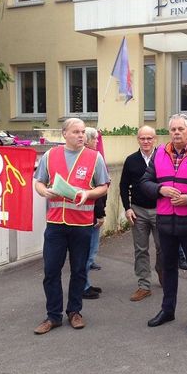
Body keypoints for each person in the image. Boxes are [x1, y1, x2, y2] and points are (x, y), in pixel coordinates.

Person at [32, 118, 110, 334]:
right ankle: (53, 316)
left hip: (82, 224)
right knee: (51, 270)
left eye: (83, 132)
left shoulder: (95, 158)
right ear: (64, 134)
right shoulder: (50, 155)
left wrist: (88, 193)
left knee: (79, 270)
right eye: (76, 132)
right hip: (56, 223)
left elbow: (104, 186)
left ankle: (74, 311)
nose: (81, 136)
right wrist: (43, 191)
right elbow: (38, 181)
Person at [141, 113, 187, 335]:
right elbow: (145, 182)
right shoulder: (160, 153)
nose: (176, 133)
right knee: (168, 268)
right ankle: (167, 310)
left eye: (181, 129)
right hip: (165, 222)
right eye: (173, 129)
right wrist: (160, 189)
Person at [119, 125, 163, 302]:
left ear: (155, 140)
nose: (146, 141)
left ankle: (162, 271)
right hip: (138, 211)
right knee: (141, 249)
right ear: (138, 139)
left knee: (163, 248)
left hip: (161, 209)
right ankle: (144, 285)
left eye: (149, 138)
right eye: (142, 138)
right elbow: (123, 186)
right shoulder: (131, 160)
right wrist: (127, 208)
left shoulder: (163, 158)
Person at [82, 127, 108, 300]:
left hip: (90, 214)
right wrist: (100, 214)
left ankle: (85, 284)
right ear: (88, 140)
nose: (97, 142)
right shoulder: (89, 161)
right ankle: (83, 287)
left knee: (90, 251)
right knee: (88, 252)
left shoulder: (91, 159)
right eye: (95, 139)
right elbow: (96, 192)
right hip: (89, 215)